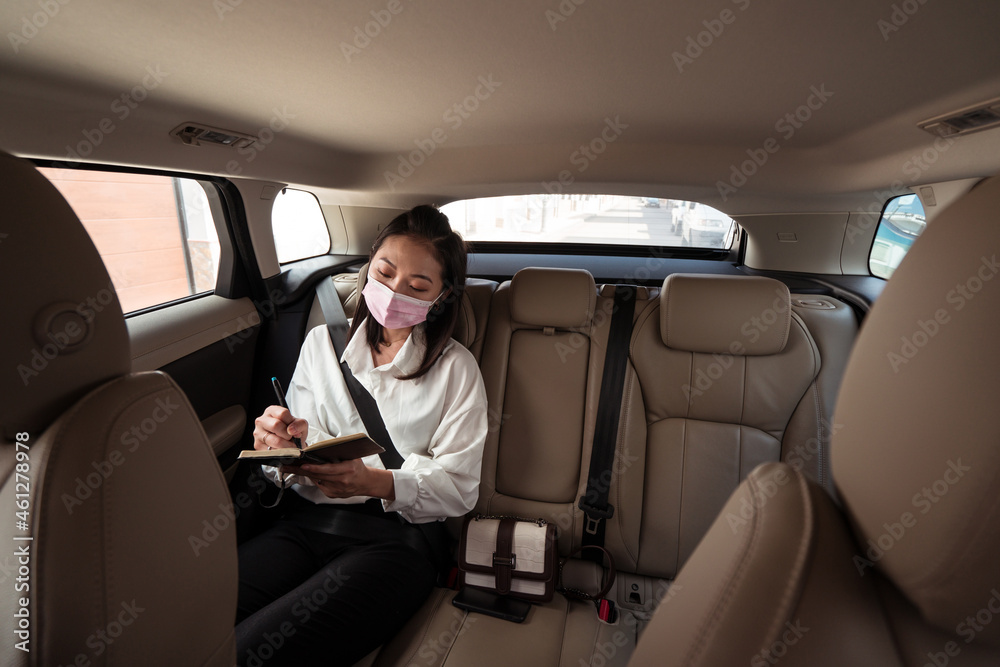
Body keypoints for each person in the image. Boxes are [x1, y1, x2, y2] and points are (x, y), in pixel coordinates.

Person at [235, 205, 488, 666]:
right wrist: (277, 448)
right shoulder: (321, 344)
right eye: (385, 273)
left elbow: (459, 487)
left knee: (250, 651)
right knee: (192, 613)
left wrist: (376, 483)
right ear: (369, 264)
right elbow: (297, 449)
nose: (394, 293)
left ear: (442, 295)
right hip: (305, 523)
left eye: (417, 287)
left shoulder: (457, 369)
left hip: (396, 541)